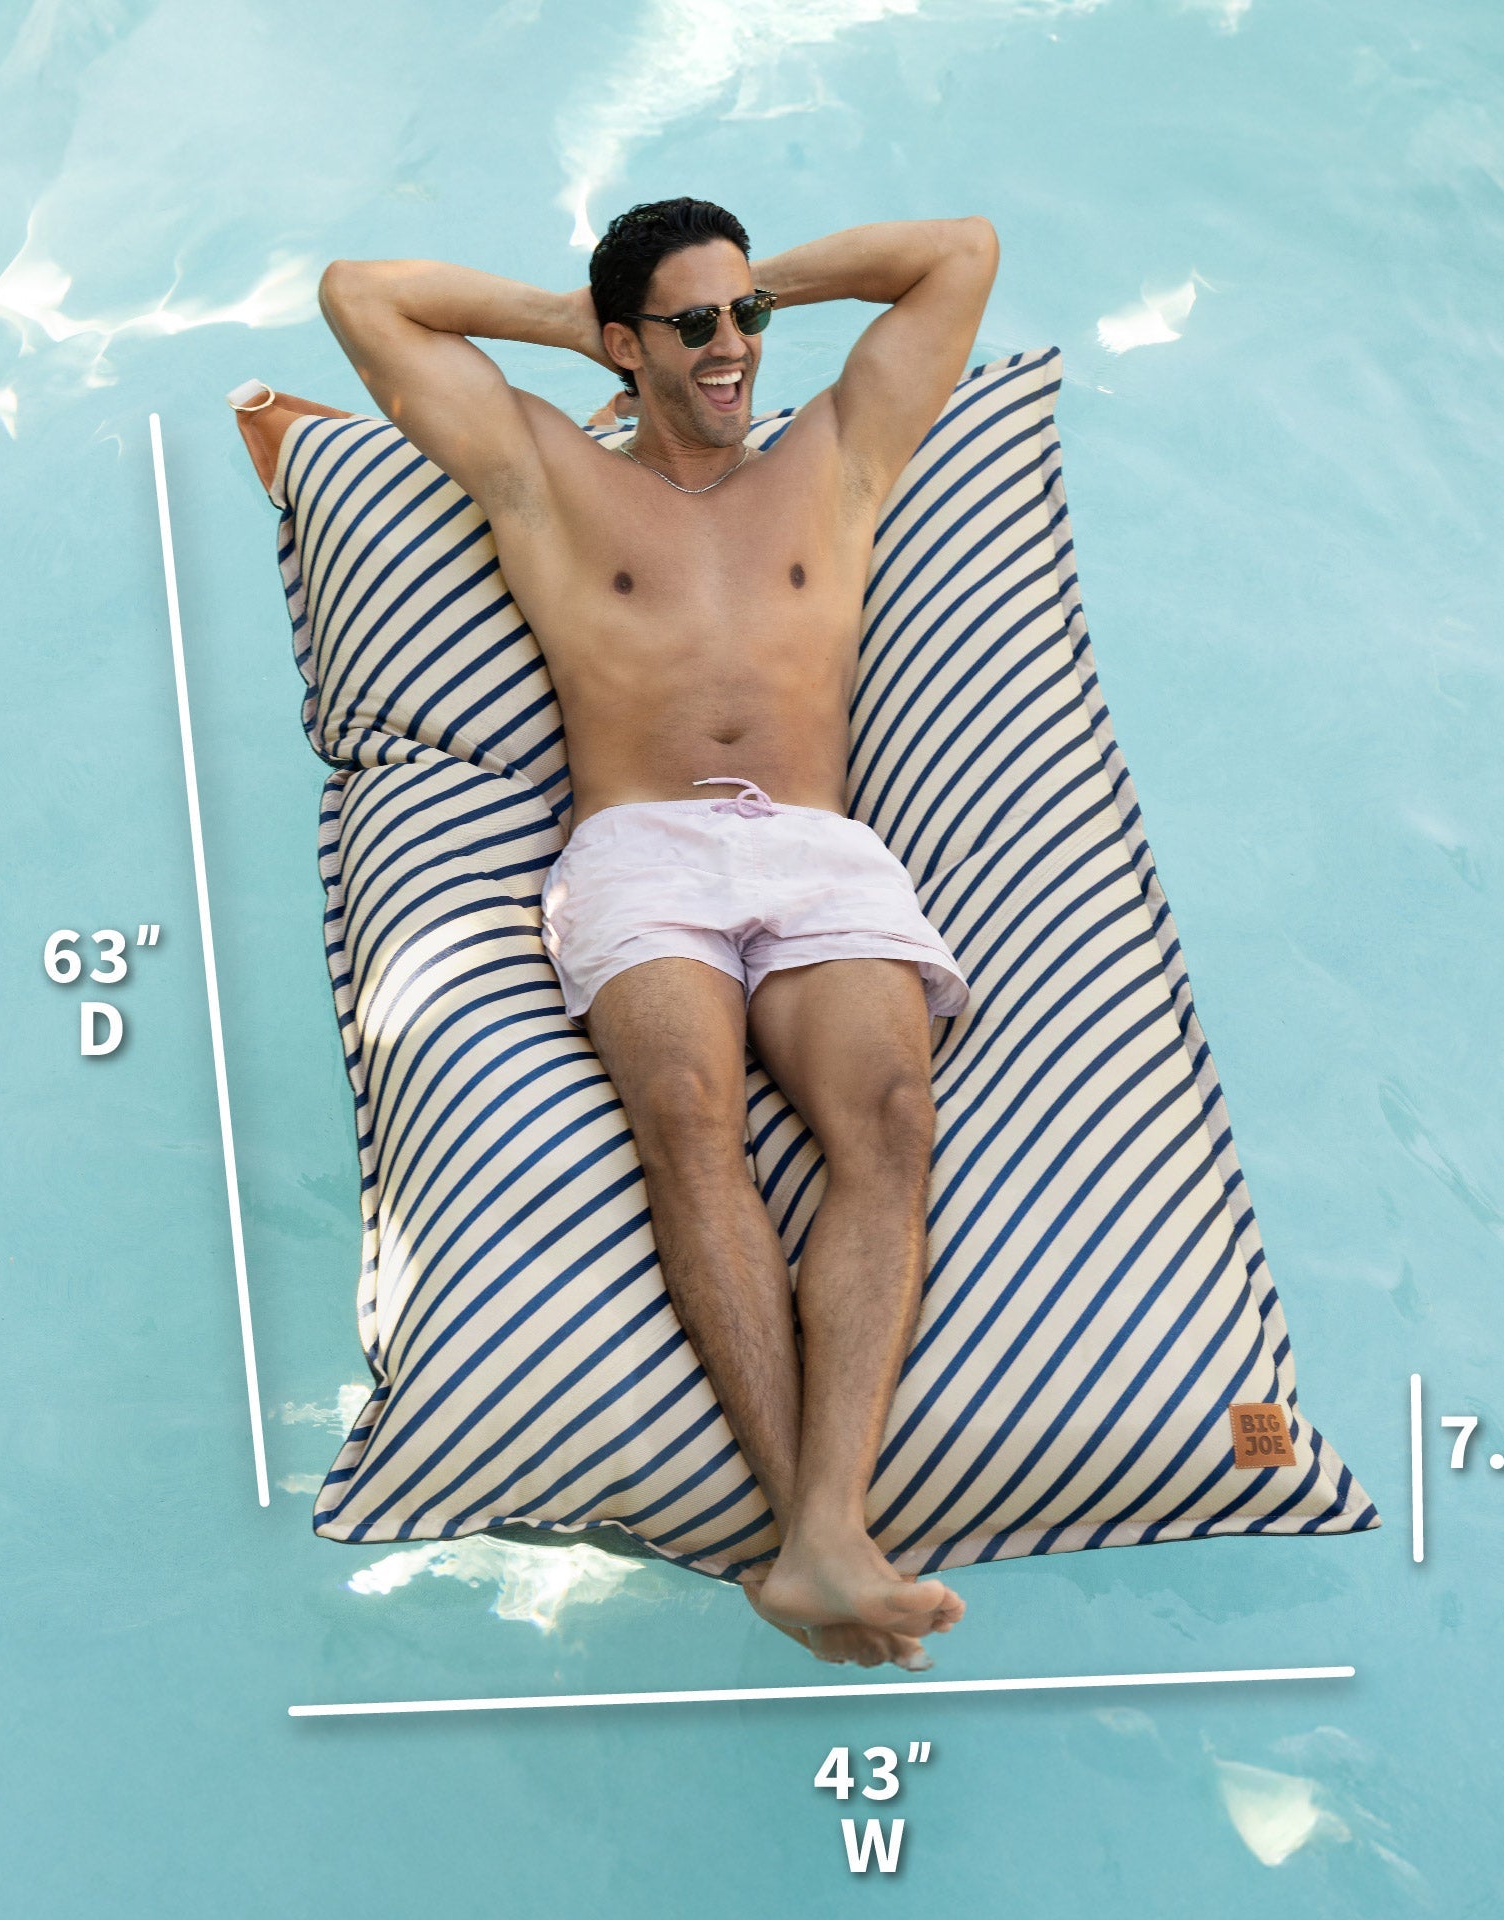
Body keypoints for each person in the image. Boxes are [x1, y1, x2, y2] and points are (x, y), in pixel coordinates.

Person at [318, 197, 998, 1671]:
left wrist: (748, 297)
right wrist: (578, 326)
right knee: (690, 1114)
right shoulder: (547, 474)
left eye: (745, 321)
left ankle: (822, 1534)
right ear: (626, 344)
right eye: (694, 327)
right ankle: (808, 1531)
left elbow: (962, 254)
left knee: (887, 1120)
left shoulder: (833, 459)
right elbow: (360, 294)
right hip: (636, 851)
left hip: (817, 850)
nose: (734, 350)